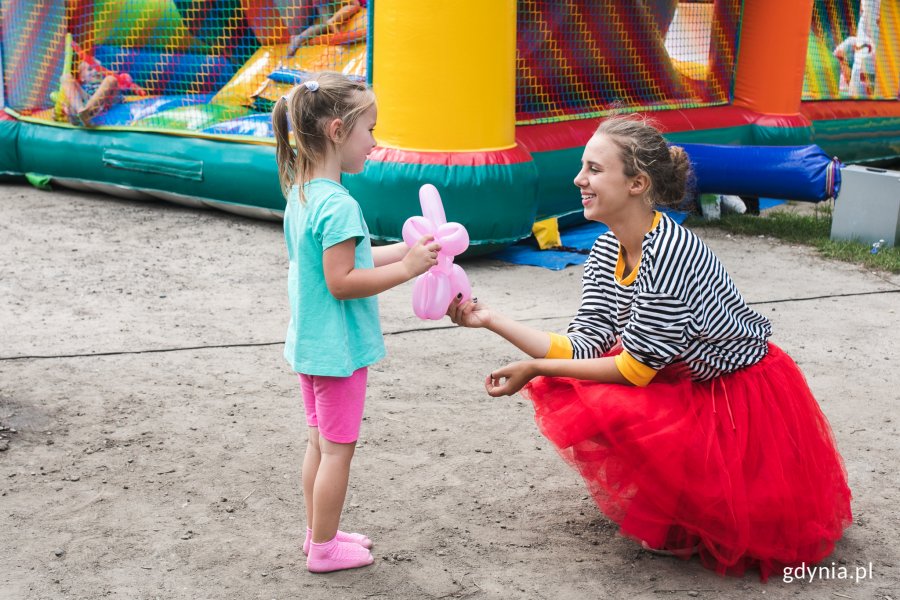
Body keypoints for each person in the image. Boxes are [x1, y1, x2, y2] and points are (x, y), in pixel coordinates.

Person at [447, 114, 852, 581]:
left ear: (637, 183)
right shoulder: (605, 250)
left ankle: (695, 515)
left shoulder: (669, 251)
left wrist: (536, 367)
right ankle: (681, 513)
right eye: (583, 167)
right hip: (680, 372)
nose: (579, 179)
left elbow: (635, 370)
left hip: (735, 392)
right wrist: (490, 319)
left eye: (594, 170)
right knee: (575, 380)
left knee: (620, 402)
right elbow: (585, 345)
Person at [272, 72, 440, 573]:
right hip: (338, 353)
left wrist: (407, 251)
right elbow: (342, 281)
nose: (374, 141)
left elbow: (352, 258)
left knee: (318, 445)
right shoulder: (340, 204)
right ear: (338, 130)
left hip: (311, 347)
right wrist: (407, 270)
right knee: (338, 452)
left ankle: (316, 532)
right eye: (370, 129)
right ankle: (324, 550)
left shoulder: (303, 193)